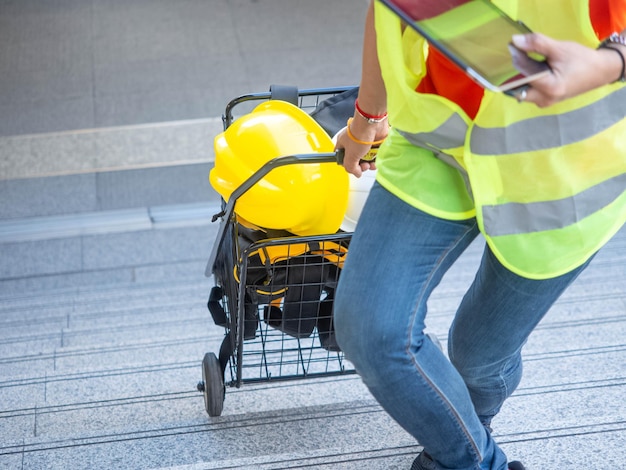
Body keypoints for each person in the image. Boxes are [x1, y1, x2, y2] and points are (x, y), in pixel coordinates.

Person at [333, 1, 626, 469]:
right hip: (436, 145)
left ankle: (470, 425)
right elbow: (390, 9)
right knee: (372, 329)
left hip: (560, 175)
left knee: (476, 360)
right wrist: (369, 116)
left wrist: (610, 62)